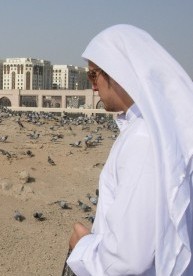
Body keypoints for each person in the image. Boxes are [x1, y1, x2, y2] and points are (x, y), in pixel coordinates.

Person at [66, 24, 193, 275]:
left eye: (93, 75)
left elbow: (129, 260)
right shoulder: (160, 131)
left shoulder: (144, 138)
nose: (92, 86)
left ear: (118, 71)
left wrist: (82, 246)